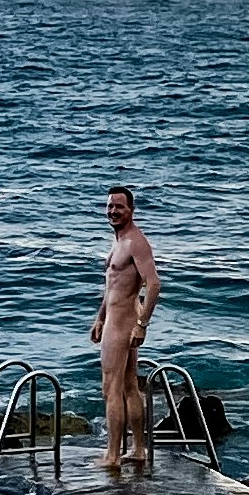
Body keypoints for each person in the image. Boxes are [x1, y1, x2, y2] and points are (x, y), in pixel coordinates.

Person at [91, 183, 161, 469]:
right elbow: (112, 287)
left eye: (119, 206)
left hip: (123, 325)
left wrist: (142, 324)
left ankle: (112, 456)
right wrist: (100, 316)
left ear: (131, 210)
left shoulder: (135, 242)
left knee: (112, 387)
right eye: (110, 206)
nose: (113, 211)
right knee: (131, 386)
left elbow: (154, 284)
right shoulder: (118, 241)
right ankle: (139, 450)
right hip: (115, 320)